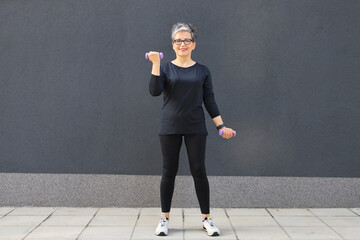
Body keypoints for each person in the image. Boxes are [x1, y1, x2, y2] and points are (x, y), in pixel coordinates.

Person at [147, 22, 235, 237]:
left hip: (196, 126)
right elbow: (154, 91)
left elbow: (209, 100)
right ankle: (164, 219)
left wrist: (221, 126)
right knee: (169, 172)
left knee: (199, 171)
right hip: (169, 127)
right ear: (173, 44)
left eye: (186, 40)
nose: (182, 44)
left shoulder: (202, 70)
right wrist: (156, 63)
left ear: (194, 44)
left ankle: (206, 219)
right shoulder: (166, 68)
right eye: (178, 40)